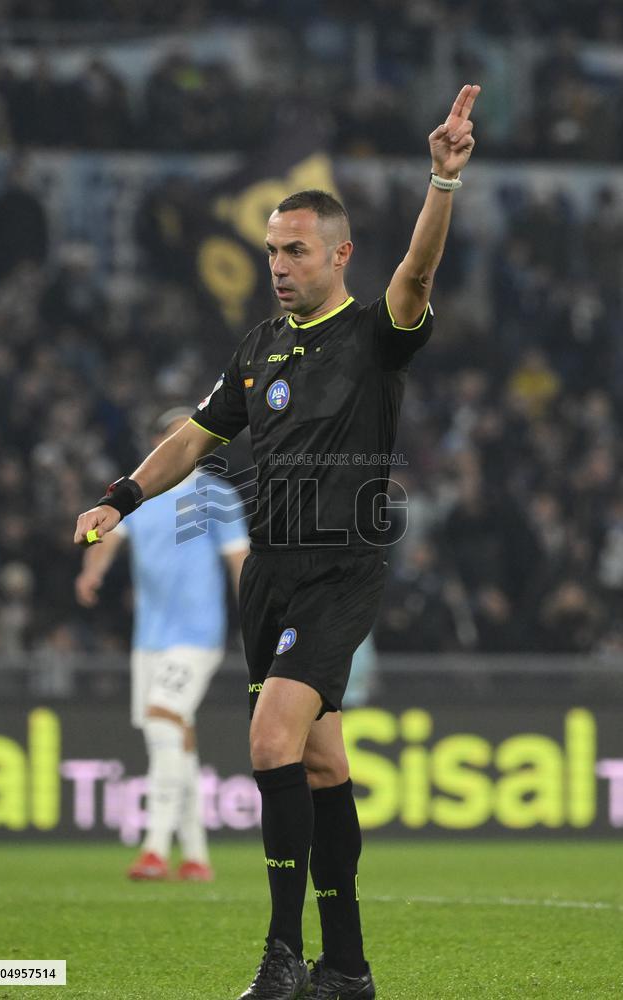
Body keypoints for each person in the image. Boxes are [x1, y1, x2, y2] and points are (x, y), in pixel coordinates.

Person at [74, 84, 480, 1000]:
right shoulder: (260, 346)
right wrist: (121, 497)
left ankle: (281, 958)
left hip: (343, 568)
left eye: (295, 251)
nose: (278, 266)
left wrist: (442, 183)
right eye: (270, 251)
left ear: (340, 255)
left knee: (269, 744)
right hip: (271, 575)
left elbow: (415, 275)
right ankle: (349, 968)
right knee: (322, 761)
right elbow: (192, 438)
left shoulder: (377, 334)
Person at [75, 408, 249, 882]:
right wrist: (92, 571)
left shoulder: (216, 496)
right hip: (149, 638)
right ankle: (196, 855)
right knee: (174, 736)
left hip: (196, 635)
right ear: (159, 441)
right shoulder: (141, 495)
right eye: (173, 435)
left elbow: (239, 559)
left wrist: (256, 616)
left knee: (162, 718)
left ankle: (154, 848)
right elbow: (112, 534)